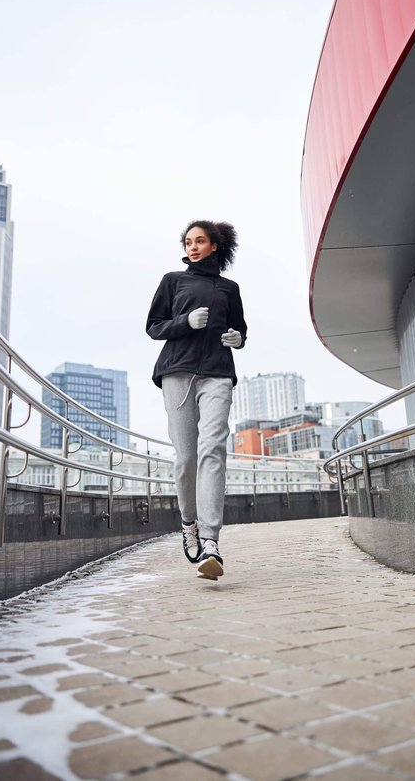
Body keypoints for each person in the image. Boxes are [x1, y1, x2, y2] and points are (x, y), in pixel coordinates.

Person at [146, 220, 247, 580]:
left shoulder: (229, 288)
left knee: (213, 450)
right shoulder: (173, 281)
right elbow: (154, 326)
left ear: (214, 246)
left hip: (218, 372)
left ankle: (211, 542)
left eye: (200, 241)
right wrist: (186, 322)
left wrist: (238, 338)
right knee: (187, 458)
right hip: (177, 373)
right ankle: (188, 523)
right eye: (188, 242)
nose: (192, 247)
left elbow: (241, 329)